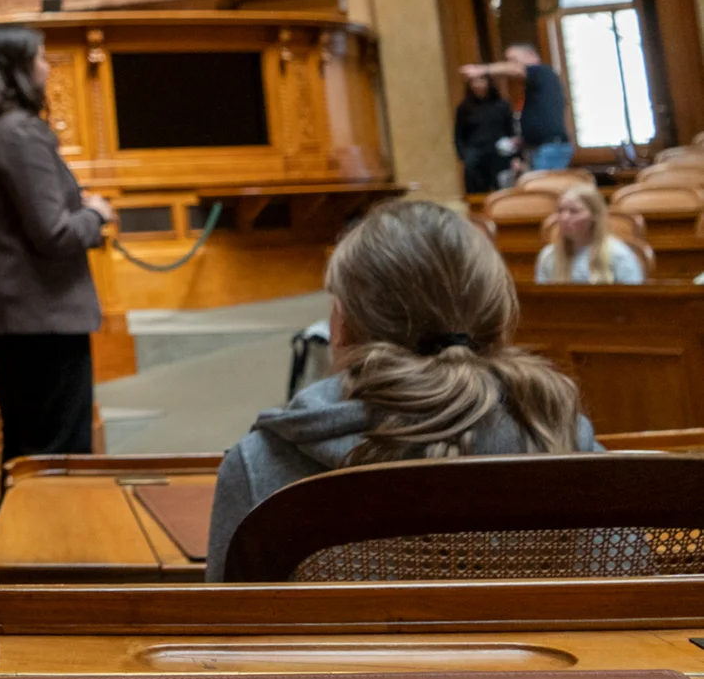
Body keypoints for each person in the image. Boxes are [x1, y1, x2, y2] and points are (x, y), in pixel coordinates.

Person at [206, 199, 598, 580]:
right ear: (498, 320)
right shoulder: (568, 443)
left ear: (341, 326)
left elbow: (226, 640)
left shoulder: (260, 468)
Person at [0, 24, 115, 462]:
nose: (46, 68)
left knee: (25, 452)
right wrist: (96, 215)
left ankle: (23, 533)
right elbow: (55, 233)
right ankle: (51, 534)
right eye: (40, 58)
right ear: (15, 69)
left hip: (8, 315)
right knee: (57, 454)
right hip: (42, 316)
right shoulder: (19, 133)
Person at [462, 44, 573, 170]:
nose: (509, 65)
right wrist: (520, 140)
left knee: (542, 188)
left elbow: (517, 70)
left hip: (550, 148)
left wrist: (483, 70)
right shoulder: (535, 88)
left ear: (531, 56)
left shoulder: (542, 72)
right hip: (539, 148)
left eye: (513, 60)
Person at [536, 185, 645, 285]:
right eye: (560, 211)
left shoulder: (619, 255)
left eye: (574, 211)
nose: (564, 218)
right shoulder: (548, 256)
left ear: (594, 216)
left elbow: (635, 302)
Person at [452, 72, 518, 194]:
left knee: (502, 188)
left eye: (481, 80)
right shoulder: (464, 108)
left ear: (489, 82)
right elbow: (459, 135)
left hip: (499, 153)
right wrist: (464, 155)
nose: (478, 85)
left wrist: (515, 156)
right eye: (474, 81)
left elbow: (511, 132)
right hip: (475, 153)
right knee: (475, 188)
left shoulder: (502, 105)